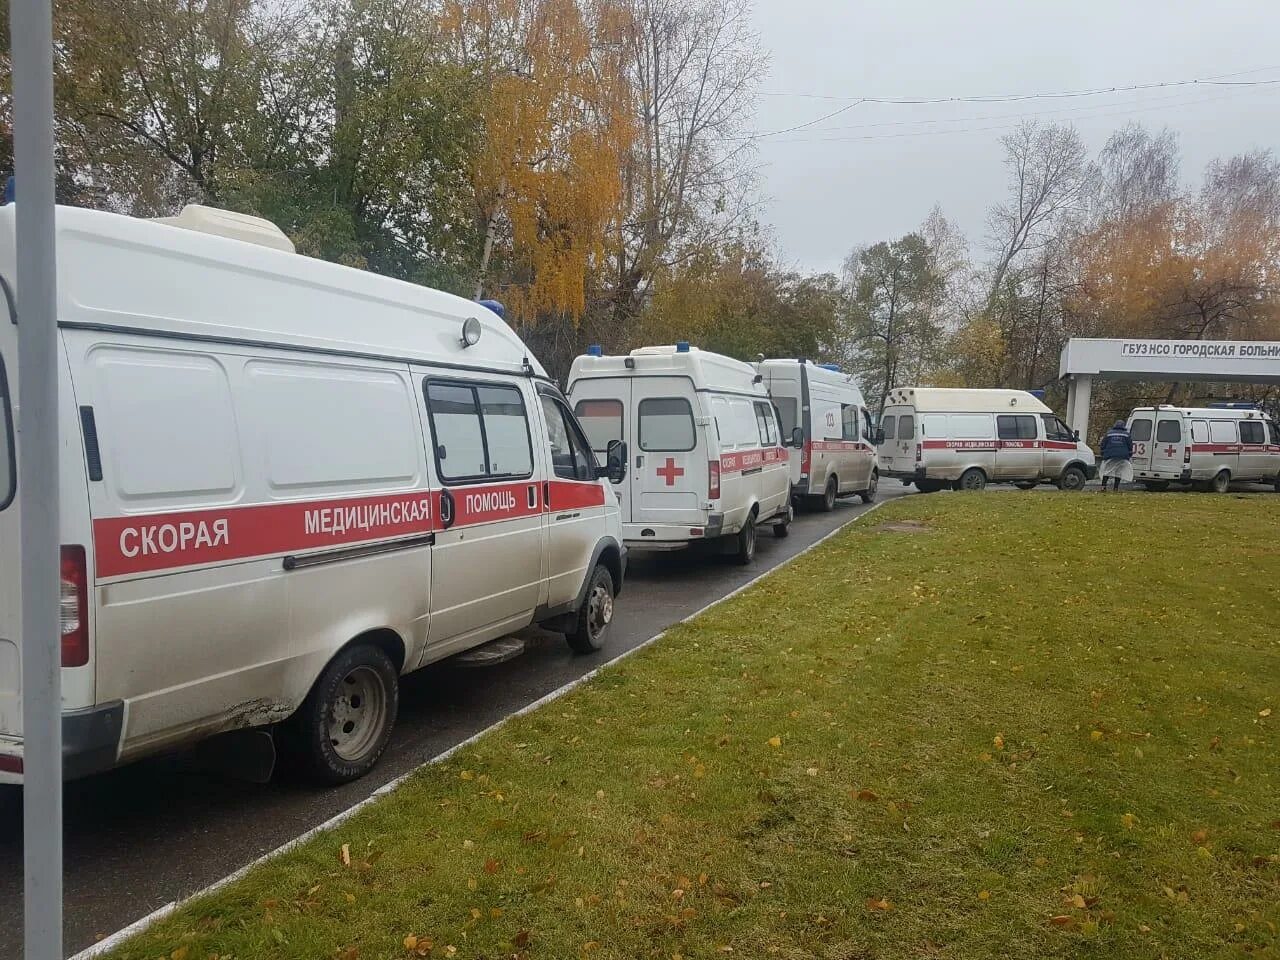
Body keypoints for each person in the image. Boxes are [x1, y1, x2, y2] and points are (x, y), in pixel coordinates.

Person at [1098, 420, 1134, 491]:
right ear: (1123, 426)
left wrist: (1103, 453)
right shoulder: (1126, 434)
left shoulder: (1109, 434)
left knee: (1107, 471)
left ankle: (1103, 487)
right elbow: (1130, 446)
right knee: (1118, 472)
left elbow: (1103, 444)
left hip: (1109, 455)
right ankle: (1115, 488)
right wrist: (1129, 454)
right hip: (1122, 456)